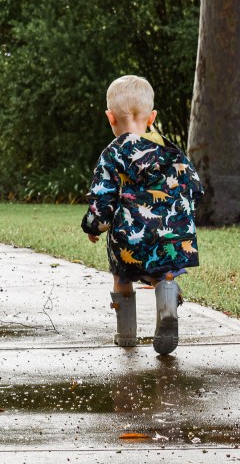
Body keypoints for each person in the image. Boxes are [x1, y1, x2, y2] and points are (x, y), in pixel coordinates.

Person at [81, 75, 204, 355]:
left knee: (122, 277)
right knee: (163, 274)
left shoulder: (112, 154)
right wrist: (185, 216)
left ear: (110, 118)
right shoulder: (170, 150)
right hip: (170, 234)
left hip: (129, 237)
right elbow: (194, 186)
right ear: (152, 117)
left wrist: (94, 226)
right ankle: (168, 294)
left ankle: (126, 335)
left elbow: (103, 196)